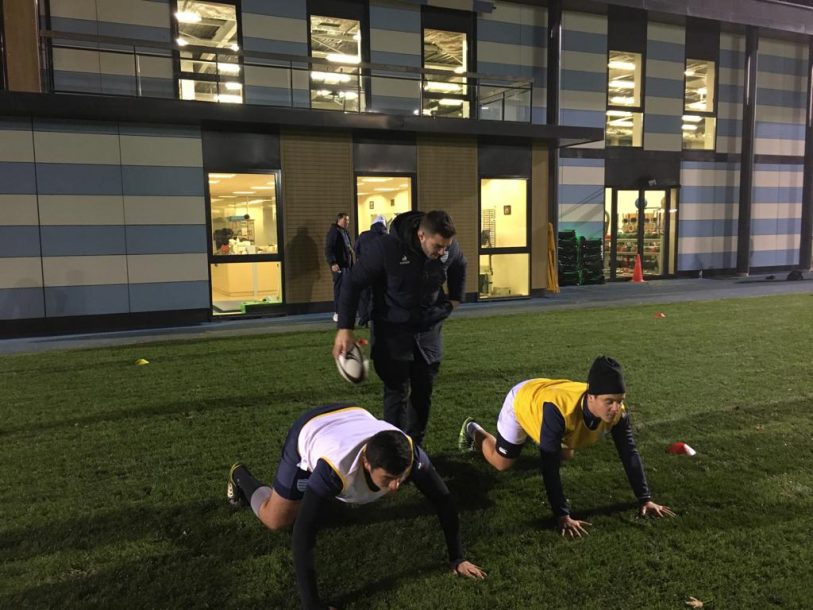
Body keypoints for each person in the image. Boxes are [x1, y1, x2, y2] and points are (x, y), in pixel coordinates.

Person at [227, 403, 486, 610]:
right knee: (277, 519)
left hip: (353, 415)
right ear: (365, 464)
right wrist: (312, 605)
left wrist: (457, 557)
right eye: (388, 479)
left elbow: (443, 499)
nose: (395, 487)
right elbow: (303, 534)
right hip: (310, 429)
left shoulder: (410, 453)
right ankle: (241, 476)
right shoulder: (334, 469)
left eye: (401, 477)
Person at [457, 356, 675, 538]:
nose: (616, 408)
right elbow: (549, 466)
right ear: (592, 397)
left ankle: (544, 436)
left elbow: (629, 453)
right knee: (502, 462)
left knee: (566, 454)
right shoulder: (559, 410)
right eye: (609, 401)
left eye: (620, 400)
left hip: (547, 397)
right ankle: (473, 429)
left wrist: (645, 499)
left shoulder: (617, 412)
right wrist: (562, 515)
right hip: (524, 400)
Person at [331, 210, 466, 446]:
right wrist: (345, 328)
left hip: (428, 332)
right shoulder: (386, 248)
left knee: (423, 393)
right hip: (392, 332)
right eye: (437, 246)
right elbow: (352, 283)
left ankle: (416, 450)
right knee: (397, 392)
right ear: (421, 235)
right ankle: (396, 451)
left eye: (446, 246)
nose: (442, 252)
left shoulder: (447, 248)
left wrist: (456, 298)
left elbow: (459, 264)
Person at [353, 215, 388, 326]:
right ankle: (376, 316)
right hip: (381, 270)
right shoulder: (386, 237)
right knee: (379, 294)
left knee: (364, 295)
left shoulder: (363, 235)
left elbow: (356, 249)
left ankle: (364, 317)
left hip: (365, 268)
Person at [324, 212, 354, 322]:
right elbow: (328, 249)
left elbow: (347, 247)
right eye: (345, 219)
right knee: (339, 289)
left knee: (345, 289)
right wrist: (333, 263)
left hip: (346, 265)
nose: (348, 222)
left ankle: (343, 311)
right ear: (339, 220)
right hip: (339, 266)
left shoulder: (344, 232)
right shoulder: (334, 232)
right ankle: (337, 312)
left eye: (348, 220)